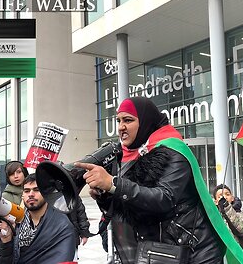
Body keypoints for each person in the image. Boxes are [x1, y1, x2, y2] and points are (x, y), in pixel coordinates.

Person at [76, 96, 225, 263]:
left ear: (146, 121)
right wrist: (105, 196)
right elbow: (133, 208)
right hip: (159, 252)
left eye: (128, 120)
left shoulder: (173, 151)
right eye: (118, 121)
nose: (121, 127)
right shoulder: (129, 156)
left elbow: (163, 198)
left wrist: (114, 184)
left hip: (194, 253)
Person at [0, 174, 76, 263]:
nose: (31, 194)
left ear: (46, 193)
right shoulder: (13, 222)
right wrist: (6, 241)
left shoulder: (62, 226)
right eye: (26, 191)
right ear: (23, 195)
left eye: (36, 190)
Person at [212, 184, 243, 250]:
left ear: (232, 198)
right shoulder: (214, 216)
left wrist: (227, 208)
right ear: (216, 202)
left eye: (227, 194)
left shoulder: (238, 212)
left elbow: (242, 227)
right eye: (220, 196)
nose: (224, 197)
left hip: (235, 250)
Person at [67, 196, 92, 260]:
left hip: (72, 235)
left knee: (72, 258)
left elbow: (81, 215)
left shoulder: (74, 196)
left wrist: (84, 233)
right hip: (55, 237)